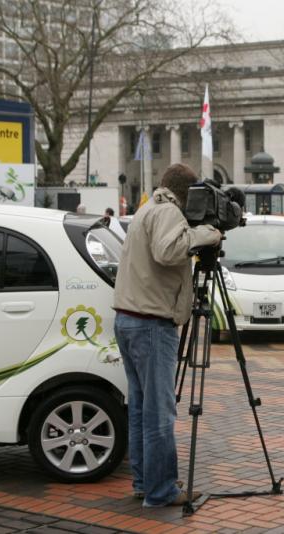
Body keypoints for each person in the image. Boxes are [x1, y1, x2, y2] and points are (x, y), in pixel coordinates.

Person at [113, 163, 221, 507]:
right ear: (187, 194)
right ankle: (161, 492)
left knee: (142, 408)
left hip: (129, 319)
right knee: (160, 412)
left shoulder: (147, 209)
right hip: (150, 323)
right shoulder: (168, 212)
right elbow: (167, 251)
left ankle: (146, 483)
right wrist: (206, 233)